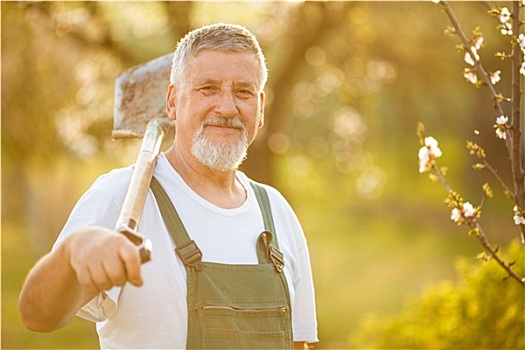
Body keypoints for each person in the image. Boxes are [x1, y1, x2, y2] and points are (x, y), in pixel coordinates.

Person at [19, 23, 318, 349]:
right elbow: (37, 316)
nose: (227, 108)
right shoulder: (120, 195)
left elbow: (297, 344)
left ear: (260, 108)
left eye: (243, 92)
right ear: (173, 101)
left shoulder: (275, 211)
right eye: (208, 88)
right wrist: (70, 253)